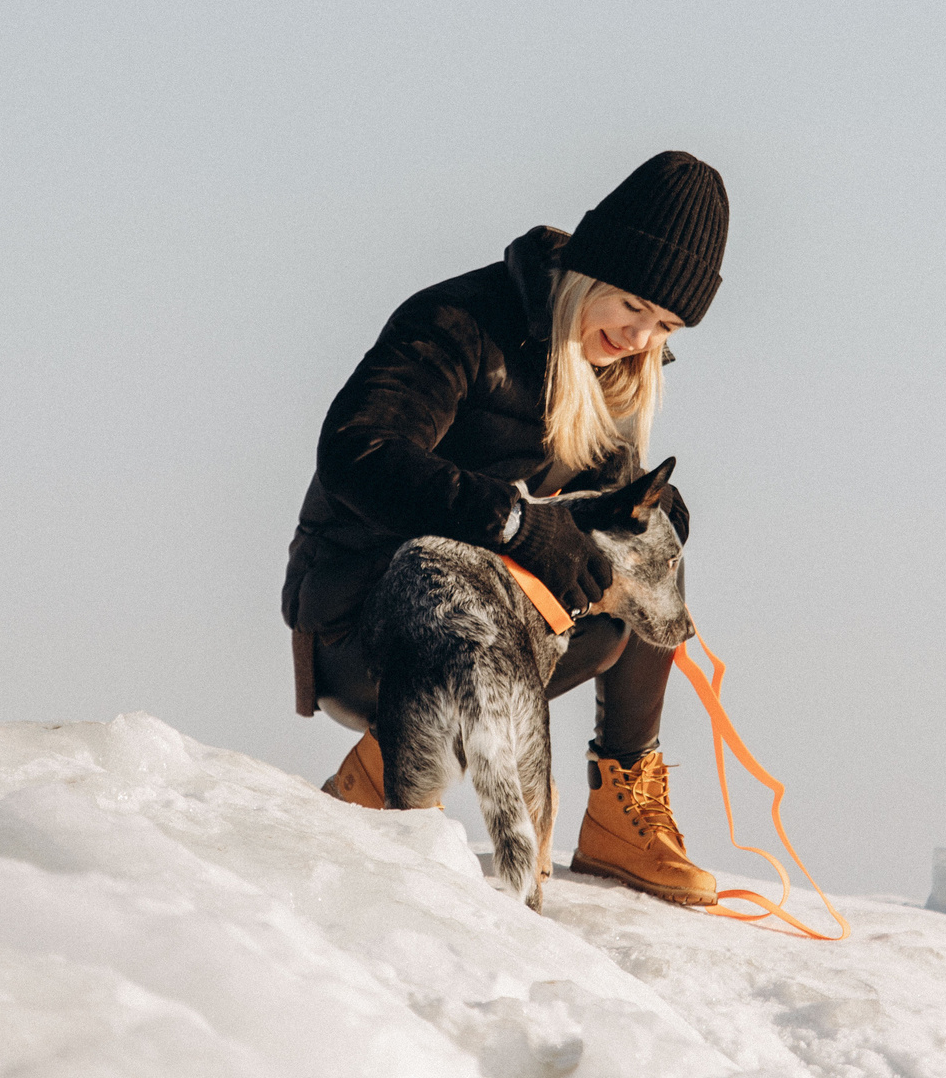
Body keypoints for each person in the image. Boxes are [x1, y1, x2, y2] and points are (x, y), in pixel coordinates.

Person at [282, 150, 728, 905]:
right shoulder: (460, 322)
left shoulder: (606, 363)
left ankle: (622, 810)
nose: (641, 338)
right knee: (471, 583)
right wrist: (516, 522)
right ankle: (393, 757)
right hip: (362, 623)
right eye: (631, 307)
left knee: (640, 563)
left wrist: (635, 512)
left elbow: (588, 520)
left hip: (495, 623)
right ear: (592, 271)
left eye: (664, 325)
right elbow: (356, 450)